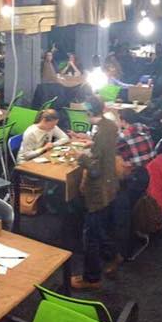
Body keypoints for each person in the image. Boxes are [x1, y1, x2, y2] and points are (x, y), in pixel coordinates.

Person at [71, 97, 120, 290]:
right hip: (110, 184)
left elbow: (94, 170)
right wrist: (89, 144)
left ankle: (92, 279)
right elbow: (102, 151)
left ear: (89, 112)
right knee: (100, 228)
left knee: (90, 235)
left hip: (98, 190)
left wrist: (81, 157)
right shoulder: (109, 125)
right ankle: (113, 256)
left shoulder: (101, 130)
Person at [114, 108, 155, 262]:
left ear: (123, 120)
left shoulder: (124, 136)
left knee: (119, 209)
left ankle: (123, 251)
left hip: (135, 179)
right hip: (148, 173)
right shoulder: (144, 129)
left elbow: (109, 151)